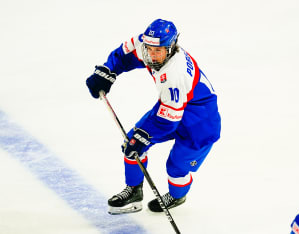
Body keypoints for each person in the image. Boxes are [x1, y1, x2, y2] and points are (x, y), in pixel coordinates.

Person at [85, 19, 221, 214]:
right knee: (131, 143)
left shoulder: (175, 73)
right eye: (149, 49)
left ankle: (177, 195)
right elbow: (124, 55)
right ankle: (134, 191)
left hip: (200, 120)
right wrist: (107, 71)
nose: (152, 55)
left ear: (171, 47)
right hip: (172, 105)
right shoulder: (148, 44)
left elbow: (168, 121)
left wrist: (145, 136)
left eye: (158, 51)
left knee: (176, 166)